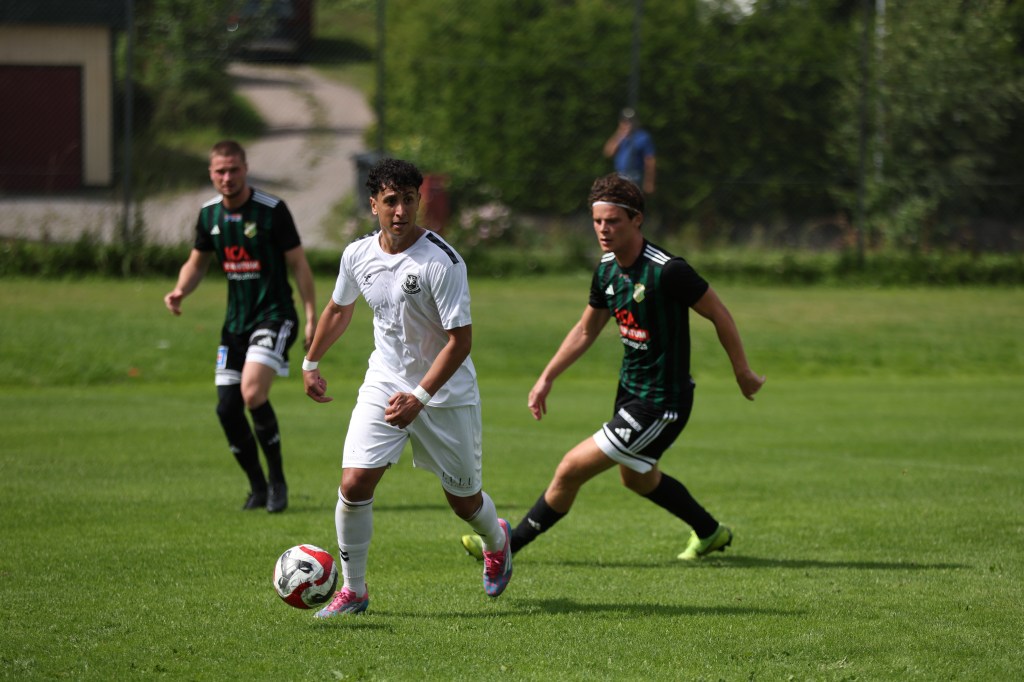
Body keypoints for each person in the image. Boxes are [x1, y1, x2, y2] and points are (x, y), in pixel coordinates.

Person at [462, 173, 764, 562]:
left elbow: (719, 313)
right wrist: (546, 378)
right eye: (597, 221)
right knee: (637, 478)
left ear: (637, 219)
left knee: (570, 468)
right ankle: (710, 532)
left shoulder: (668, 270)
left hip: (662, 401)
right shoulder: (607, 268)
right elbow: (586, 329)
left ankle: (507, 545)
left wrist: (742, 371)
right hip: (630, 393)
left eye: (613, 221)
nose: (603, 229)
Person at [302, 157, 512, 618]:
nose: (400, 211)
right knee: (354, 483)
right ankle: (354, 591)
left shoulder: (442, 262)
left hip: (446, 393)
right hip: (385, 380)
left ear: (420, 201)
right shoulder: (357, 255)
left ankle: (496, 539)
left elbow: (461, 343)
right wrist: (311, 362)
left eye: (409, 200)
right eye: (391, 201)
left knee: (464, 502)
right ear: (373, 204)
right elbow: (338, 309)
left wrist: (420, 397)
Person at [163, 140, 317, 514]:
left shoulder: (272, 210)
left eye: (233, 169)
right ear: (211, 174)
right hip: (235, 326)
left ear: (245, 169)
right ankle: (258, 487)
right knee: (226, 409)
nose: (227, 177)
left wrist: (312, 315)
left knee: (252, 393)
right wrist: (181, 290)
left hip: (275, 316)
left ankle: (278, 481)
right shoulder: (209, 215)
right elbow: (197, 262)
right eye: (220, 171)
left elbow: (298, 264)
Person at [603, 107, 657, 195]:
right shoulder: (619, 137)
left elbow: (649, 160)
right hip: (619, 175)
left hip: (635, 175)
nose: (628, 124)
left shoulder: (643, 137)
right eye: (624, 121)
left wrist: (649, 182)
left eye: (630, 121)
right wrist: (619, 135)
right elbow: (608, 152)